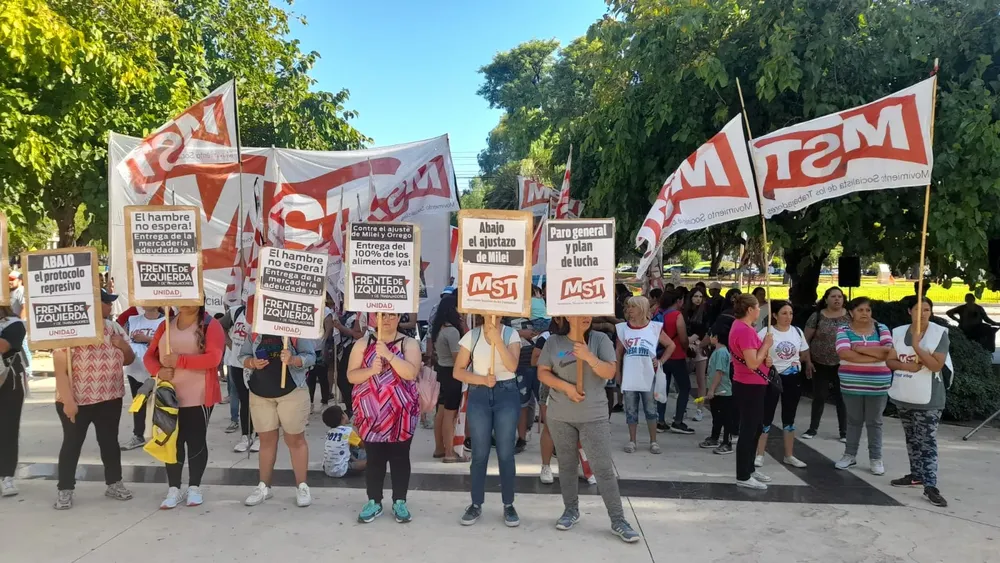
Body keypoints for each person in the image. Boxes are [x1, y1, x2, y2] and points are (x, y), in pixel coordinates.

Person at [538, 316, 641, 543]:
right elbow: (543, 372)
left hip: (593, 415)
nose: (585, 317)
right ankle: (570, 510)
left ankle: (618, 520)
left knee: (602, 468)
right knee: (566, 465)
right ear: (565, 315)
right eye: (578, 312)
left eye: (588, 312)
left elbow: (609, 372)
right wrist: (566, 388)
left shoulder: (599, 339)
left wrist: (588, 357)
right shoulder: (554, 342)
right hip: (560, 415)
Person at [53, 289, 136, 509]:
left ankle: (114, 482)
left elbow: (129, 359)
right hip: (76, 399)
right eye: (107, 302)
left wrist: (123, 346)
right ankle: (65, 488)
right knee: (72, 443)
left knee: (109, 442)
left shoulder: (115, 328)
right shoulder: (71, 329)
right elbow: (60, 369)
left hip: (110, 396)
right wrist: (68, 401)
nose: (111, 306)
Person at [144, 304, 224, 508]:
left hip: (199, 394)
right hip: (168, 394)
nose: (186, 302)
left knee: (195, 440)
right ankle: (174, 488)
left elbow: (214, 358)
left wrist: (180, 361)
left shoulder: (210, 325)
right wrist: (158, 371)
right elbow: (149, 356)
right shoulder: (166, 325)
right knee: (171, 440)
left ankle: (194, 487)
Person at [348, 312, 421, 524]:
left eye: (392, 315)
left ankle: (400, 500)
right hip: (370, 413)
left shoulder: (409, 343)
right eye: (382, 315)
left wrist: (389, 355)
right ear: (374, 318)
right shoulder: (363, 343)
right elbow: (352, 375)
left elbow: (411, 373)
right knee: (374, 458)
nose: (387, 320)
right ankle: (374, 501)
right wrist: (371, 370)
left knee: (400, 457)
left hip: (401, 413)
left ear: (399, 317)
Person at [238, 323, 316, 508]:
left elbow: (311, 357)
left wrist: (294, 360)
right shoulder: (255, 330)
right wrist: (252, 363)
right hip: (260, 392)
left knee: (295, 440)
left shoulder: (295, 328)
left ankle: (301, 486)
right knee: (266, 440)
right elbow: (243, 356)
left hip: (292, 391)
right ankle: (264, 486)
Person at [455, 315, 522, 527]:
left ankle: (508, 504)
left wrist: (498, 340)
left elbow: (512, 366)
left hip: (507, 393)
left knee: (505, 452)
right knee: (479, 453)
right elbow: (458, 371)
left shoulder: (512, 335)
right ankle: (476, 503)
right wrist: (482, 380)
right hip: (480, 395)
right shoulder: (471, 336)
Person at [886, 298, 951, 507]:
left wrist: (917, 346)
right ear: (909, 311)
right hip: (905, 393)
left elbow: (936, 366)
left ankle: (930, 485)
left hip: (929, 398)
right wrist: (906, 367)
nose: (922, 313)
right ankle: (916, 475)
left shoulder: (939, 333)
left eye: (927, 310)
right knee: (911, 438)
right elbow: (890, 360)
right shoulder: (897, 332)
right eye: (917, 309)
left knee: (927, 442)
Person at [834, 297, 893, 475]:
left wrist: (858, 348)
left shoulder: (881, 328)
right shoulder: (843, 330)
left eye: (867, 310)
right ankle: (849, 455)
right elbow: (844, 353)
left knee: (875, 422)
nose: (864, 314)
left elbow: (888, 352)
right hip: (851, 384)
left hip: (878, 384)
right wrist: (875, 355)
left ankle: (876, 458)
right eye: (860, 310)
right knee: (853, 421)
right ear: (851, 312)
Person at [754, 301, 811, 469]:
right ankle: (759, 454)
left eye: (791, 313)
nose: (788, 317)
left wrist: (802, 362)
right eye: (784, 313)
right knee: (766, 415)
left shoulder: (797, 331)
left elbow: (803, 352)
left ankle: (789, 455)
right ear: (774, 315)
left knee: (789, 417)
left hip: (792, 378)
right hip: (772, 377)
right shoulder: (766, 332)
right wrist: (765, 359)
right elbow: (756, 353)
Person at [616, 296, 675, 454]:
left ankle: (653, 441)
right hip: (629, 375)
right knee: (631, 410)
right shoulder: (623, 329)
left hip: (648, 375)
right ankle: (632, 440)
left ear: (641, 309)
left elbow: (671, 345)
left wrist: (661, 361)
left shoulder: (654, 328)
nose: (629, 310)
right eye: (628, 307)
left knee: (650, 409)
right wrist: (617, 373)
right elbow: (618, 352)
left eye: (632, 307)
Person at [728, 294, 774, 490]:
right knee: (748, 430)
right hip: (750, 384)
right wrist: (766, 345)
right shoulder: (744, 330)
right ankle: (743, 475)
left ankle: (750, 469)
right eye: (757, 307)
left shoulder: (742, 327)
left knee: (755, 428)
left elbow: (756, 358)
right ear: (750, 310)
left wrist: (765, 356)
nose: (759, 311)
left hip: (753, 383)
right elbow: (752, 362)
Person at [802, 287, 849, 441]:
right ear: (826, 299)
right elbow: (805, 341)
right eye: (833, 296)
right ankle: (812, 429)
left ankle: (844, 432)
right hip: (819, 363)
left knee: (842, 398)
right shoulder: (817, 316)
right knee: (819, 396)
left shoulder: (850, 315)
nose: (837, 299)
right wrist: (808, 361)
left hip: (843, 364)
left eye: (840, 296)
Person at [119, 307, 164, 451]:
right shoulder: (133, 320)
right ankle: (138, 435)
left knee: (158, 402)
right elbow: (123, 339)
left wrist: (147, 339)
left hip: (156, 368)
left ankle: (159, 436)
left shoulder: (165, 321)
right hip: (135, 368)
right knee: (138, 402)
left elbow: (167, 343)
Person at [431, 295, 467, 463]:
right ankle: (450, 452)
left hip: (442, 371)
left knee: (441, 412)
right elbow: (457, 358)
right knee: (450, 415)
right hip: (453, 374)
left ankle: (440, 448)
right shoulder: (452, 331)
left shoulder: (439, 328)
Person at [655, 290, 695, 434]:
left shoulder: (658, 315)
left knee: (662, 388)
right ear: (678, 301)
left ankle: (660, 421)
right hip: (677, 356)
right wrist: (687, 349)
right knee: (685, 387)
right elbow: (683, 339)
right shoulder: (677, 316)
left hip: (661, 356)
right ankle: (678, 421)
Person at [220, 301, 257, 453]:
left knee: (260, 401)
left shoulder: (263, 312)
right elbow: (219, 326)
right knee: (244, 400)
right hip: (237, 363)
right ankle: (246, 435)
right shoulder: (236, 312)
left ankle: (261, 435)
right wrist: (229, 344)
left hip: (258, 364)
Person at [0, 305, 28, 497]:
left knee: (8, 429)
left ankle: (7, 476)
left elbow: (3, 346)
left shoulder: (15, 324)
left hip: (9, 382)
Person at [700, 328, 735, 455]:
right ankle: (714, 437)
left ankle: (727, 442)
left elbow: (719, 372)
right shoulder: (716, 351)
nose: (710, 337)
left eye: (711, 335)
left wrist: (712, 390)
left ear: (717, 337)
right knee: (717, 416)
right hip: (716, 391)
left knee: (726, 418)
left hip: (723, 391)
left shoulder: (721, 353)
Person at [534, 319, 559, 484]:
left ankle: (580, 464)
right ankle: (546, 466)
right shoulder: (546, 337)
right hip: (549, 386)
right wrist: (561, 355)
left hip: (573, 385)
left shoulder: (580, 336)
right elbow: (534, 359)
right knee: (549, 427)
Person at [332, 308, 365, 418]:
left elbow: (359, 335)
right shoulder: (345, 312)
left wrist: (341, 327)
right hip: (345, 348)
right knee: (342, 379)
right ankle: (351, 407)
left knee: (347, 379)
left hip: (356, 347)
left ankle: (353, 407)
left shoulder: (361, 313)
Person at [684, 288, 711, 422]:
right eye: (695, 296)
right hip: (685, 347)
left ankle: (700, 409)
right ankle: (682, 408)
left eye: (701, 296)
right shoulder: (685, 312)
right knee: (683, 380)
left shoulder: (705, 313)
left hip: (699, 347)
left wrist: (692, 342)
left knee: (701, 380)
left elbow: (703, 331)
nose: (698, 299)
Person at [321, 405, 366, 478]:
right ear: (343, 417)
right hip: (342, 469)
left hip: (327, 469)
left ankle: (353, 461)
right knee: (370, 460)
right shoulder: (348, 431)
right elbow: (363, 446)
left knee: (346, 446)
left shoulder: (330, 432)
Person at [306, 305, 335, 413]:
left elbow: (328, 328)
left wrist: (324, 343)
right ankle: (310, 402)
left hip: (320, 346)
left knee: (322, 375)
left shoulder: (325, 310)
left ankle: (325, 401)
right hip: (308, 346)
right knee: (310, 376)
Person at [8, 271, 30, 377]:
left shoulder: (21, 290)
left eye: (13, 279)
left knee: (24, 346)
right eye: (9, 279)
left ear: (20, 280)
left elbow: (24, 307)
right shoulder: (11, 292)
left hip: (20, 324)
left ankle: (29, 371)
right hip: (13, 324)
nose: (10, 282)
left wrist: (20, 322)